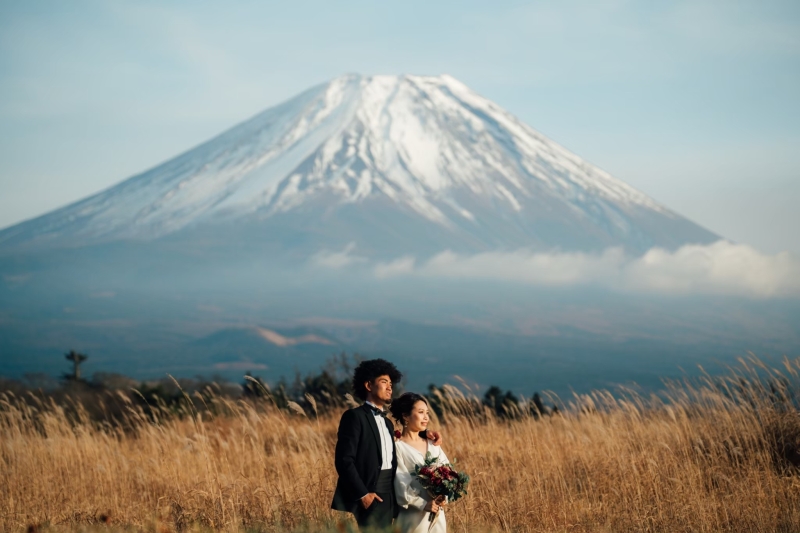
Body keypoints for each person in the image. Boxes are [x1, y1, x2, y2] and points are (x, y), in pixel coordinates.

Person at [331, 359, 442, 530]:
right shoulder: (354, 417)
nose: (390, 387)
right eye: (384, 382)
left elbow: (399, 439)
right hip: (370, 495)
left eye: (391, 383)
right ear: (369, 385)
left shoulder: (388, 423)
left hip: (391, 496)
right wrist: (363, 494)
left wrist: (424, 433)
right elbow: (344, 460)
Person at [390, 393, 449, 533]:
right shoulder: (397, 446)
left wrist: (444, 496)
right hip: (412, 515)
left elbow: (449, 472)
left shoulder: (433, 443)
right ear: (405, 416)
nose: (426, 417)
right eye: (421, 412)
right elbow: (400, 482)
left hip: (437, 513)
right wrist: (422, 504)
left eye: (427, 413)